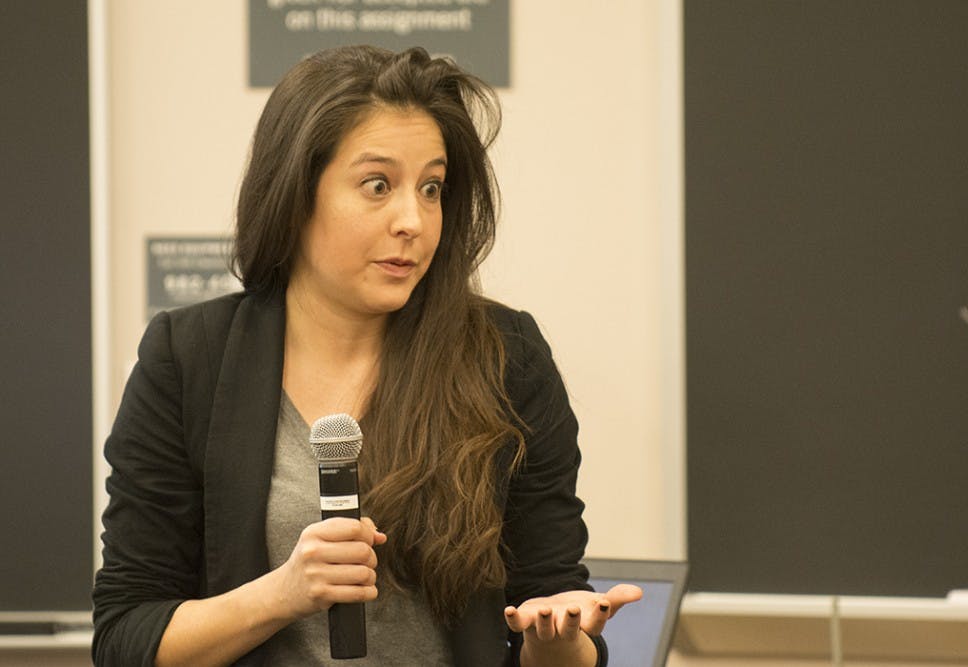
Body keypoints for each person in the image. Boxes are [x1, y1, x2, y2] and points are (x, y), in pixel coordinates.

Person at [92, 45, 641, 667]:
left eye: (431, 188)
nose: (414, 220)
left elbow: (551, 606)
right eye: (378, 185)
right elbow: (126, 639)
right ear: (297, 194)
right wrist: (282, 593)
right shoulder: (189, 357)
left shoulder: (506, 357)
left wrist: (557, 639)